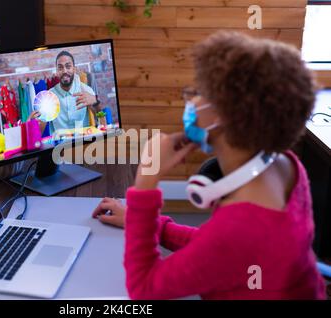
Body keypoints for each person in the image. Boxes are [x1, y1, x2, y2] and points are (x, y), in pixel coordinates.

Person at [92, 31, 326, 300]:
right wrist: (145, 224)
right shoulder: (286, 164)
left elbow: (144, 288)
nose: (191, 101)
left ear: (223, 116)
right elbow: (216, 248)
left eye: (200, 93)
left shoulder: (239, 228)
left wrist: (146, 181)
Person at [30, 51, 101, 135]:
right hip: (60, 147)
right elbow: (38, 132)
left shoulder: (86, 90)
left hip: (84, 143)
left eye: (68, 66)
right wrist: (32, 124)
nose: (64, 71)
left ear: (74, 69)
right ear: (56, 71)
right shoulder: (49, 97)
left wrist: (96, 102)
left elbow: (101, 120)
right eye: (60, 68)